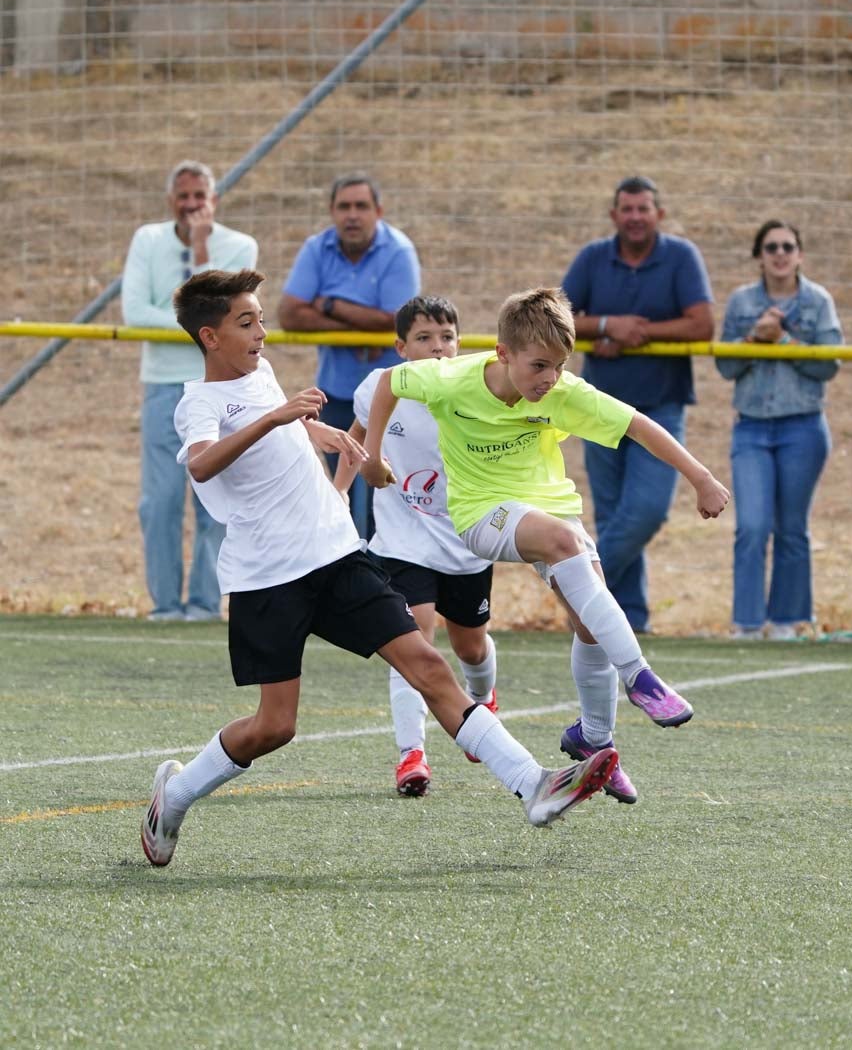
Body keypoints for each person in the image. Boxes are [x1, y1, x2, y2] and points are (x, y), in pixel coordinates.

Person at [141, 270, 617, 868]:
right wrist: (278, 418)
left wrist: (316, 430)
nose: (261, 331)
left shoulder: (259, 373)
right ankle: (175, 795)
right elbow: (203, 463)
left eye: (261, 318)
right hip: (268, 577)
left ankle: (534, 784)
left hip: (337, 555)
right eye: (246, 322)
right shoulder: (199, 402)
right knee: (275, 726)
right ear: (210, 337)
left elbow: (276, 430)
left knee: (428, 664)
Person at [360, 287, 731, 804]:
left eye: (559, 366)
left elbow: (638, 425)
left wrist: (701, 478)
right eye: (539, 366)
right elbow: (387, 382)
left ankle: (594, 738)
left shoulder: (560, 391)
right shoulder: (452, 378)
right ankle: (639, 676)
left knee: (589, 621)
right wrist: (371, 456)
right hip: (480, 514)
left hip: (550, 508)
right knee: (562, 541)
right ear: (503, 354)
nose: (550, 378)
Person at [332, 296, 499, 797]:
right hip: (402, 543)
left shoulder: (480, 389)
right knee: (413, 640)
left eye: (447, 337)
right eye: (424, 338)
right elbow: (356, 441)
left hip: (465, 543)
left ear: (459, 343)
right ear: (401, 347)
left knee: (470, 645)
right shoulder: (379, 388)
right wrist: (337, 494)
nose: (437, 347)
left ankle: (482, 697)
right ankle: (411, 754)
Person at [560, 176, 715, 633]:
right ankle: (626, 620)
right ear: (614, 215)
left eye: (643, 209)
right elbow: (558, 316)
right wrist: (607, 325)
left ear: (659, 214)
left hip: (661, 404)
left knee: (646, 510)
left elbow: (702, 324)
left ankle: (580, 588)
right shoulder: (593, 257)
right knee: (612, 514)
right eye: (626, 209)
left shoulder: (681, 256)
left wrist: (638, 334)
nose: (634, 217)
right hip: (598, 406)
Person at [122, 160, 258, 622]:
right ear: (170, 201)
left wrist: (201, 251)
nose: (191, 204)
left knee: (216, 502)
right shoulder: (148, 239)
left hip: (220, 386)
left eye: (199, 196)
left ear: (214, 200)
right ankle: (164, 605)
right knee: (159, 501)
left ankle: (203, 603)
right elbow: (135, 312)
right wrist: (200, 326)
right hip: (163, 385)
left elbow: (226, 318)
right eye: (183, 196)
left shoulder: (240, 245)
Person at [714, 220, 842, 639]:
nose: (780, 254)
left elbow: (829, 365)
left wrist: (783, 339)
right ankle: (748, 623)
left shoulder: (818, 301)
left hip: (803, 425)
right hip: (752, 427)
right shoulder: (741, 301)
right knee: (752, 526)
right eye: (771, 247)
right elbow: (725, 365)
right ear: (759, 256)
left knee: (792, 528)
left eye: (788, 246)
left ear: (800, 254)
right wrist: (755, 336)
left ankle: (787, 620)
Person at [277, 173, 421, 538]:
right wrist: (360, 330)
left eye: (361, 206)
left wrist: (330, 304)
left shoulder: (398, 251)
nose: (352, 215)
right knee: (339, 499)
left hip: (390, 399)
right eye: (344, 206)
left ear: (378, 211)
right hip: (336, 396)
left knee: (383, 501)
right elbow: (289, 314)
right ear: (331, 211)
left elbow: (397, 320)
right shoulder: (316, 248)